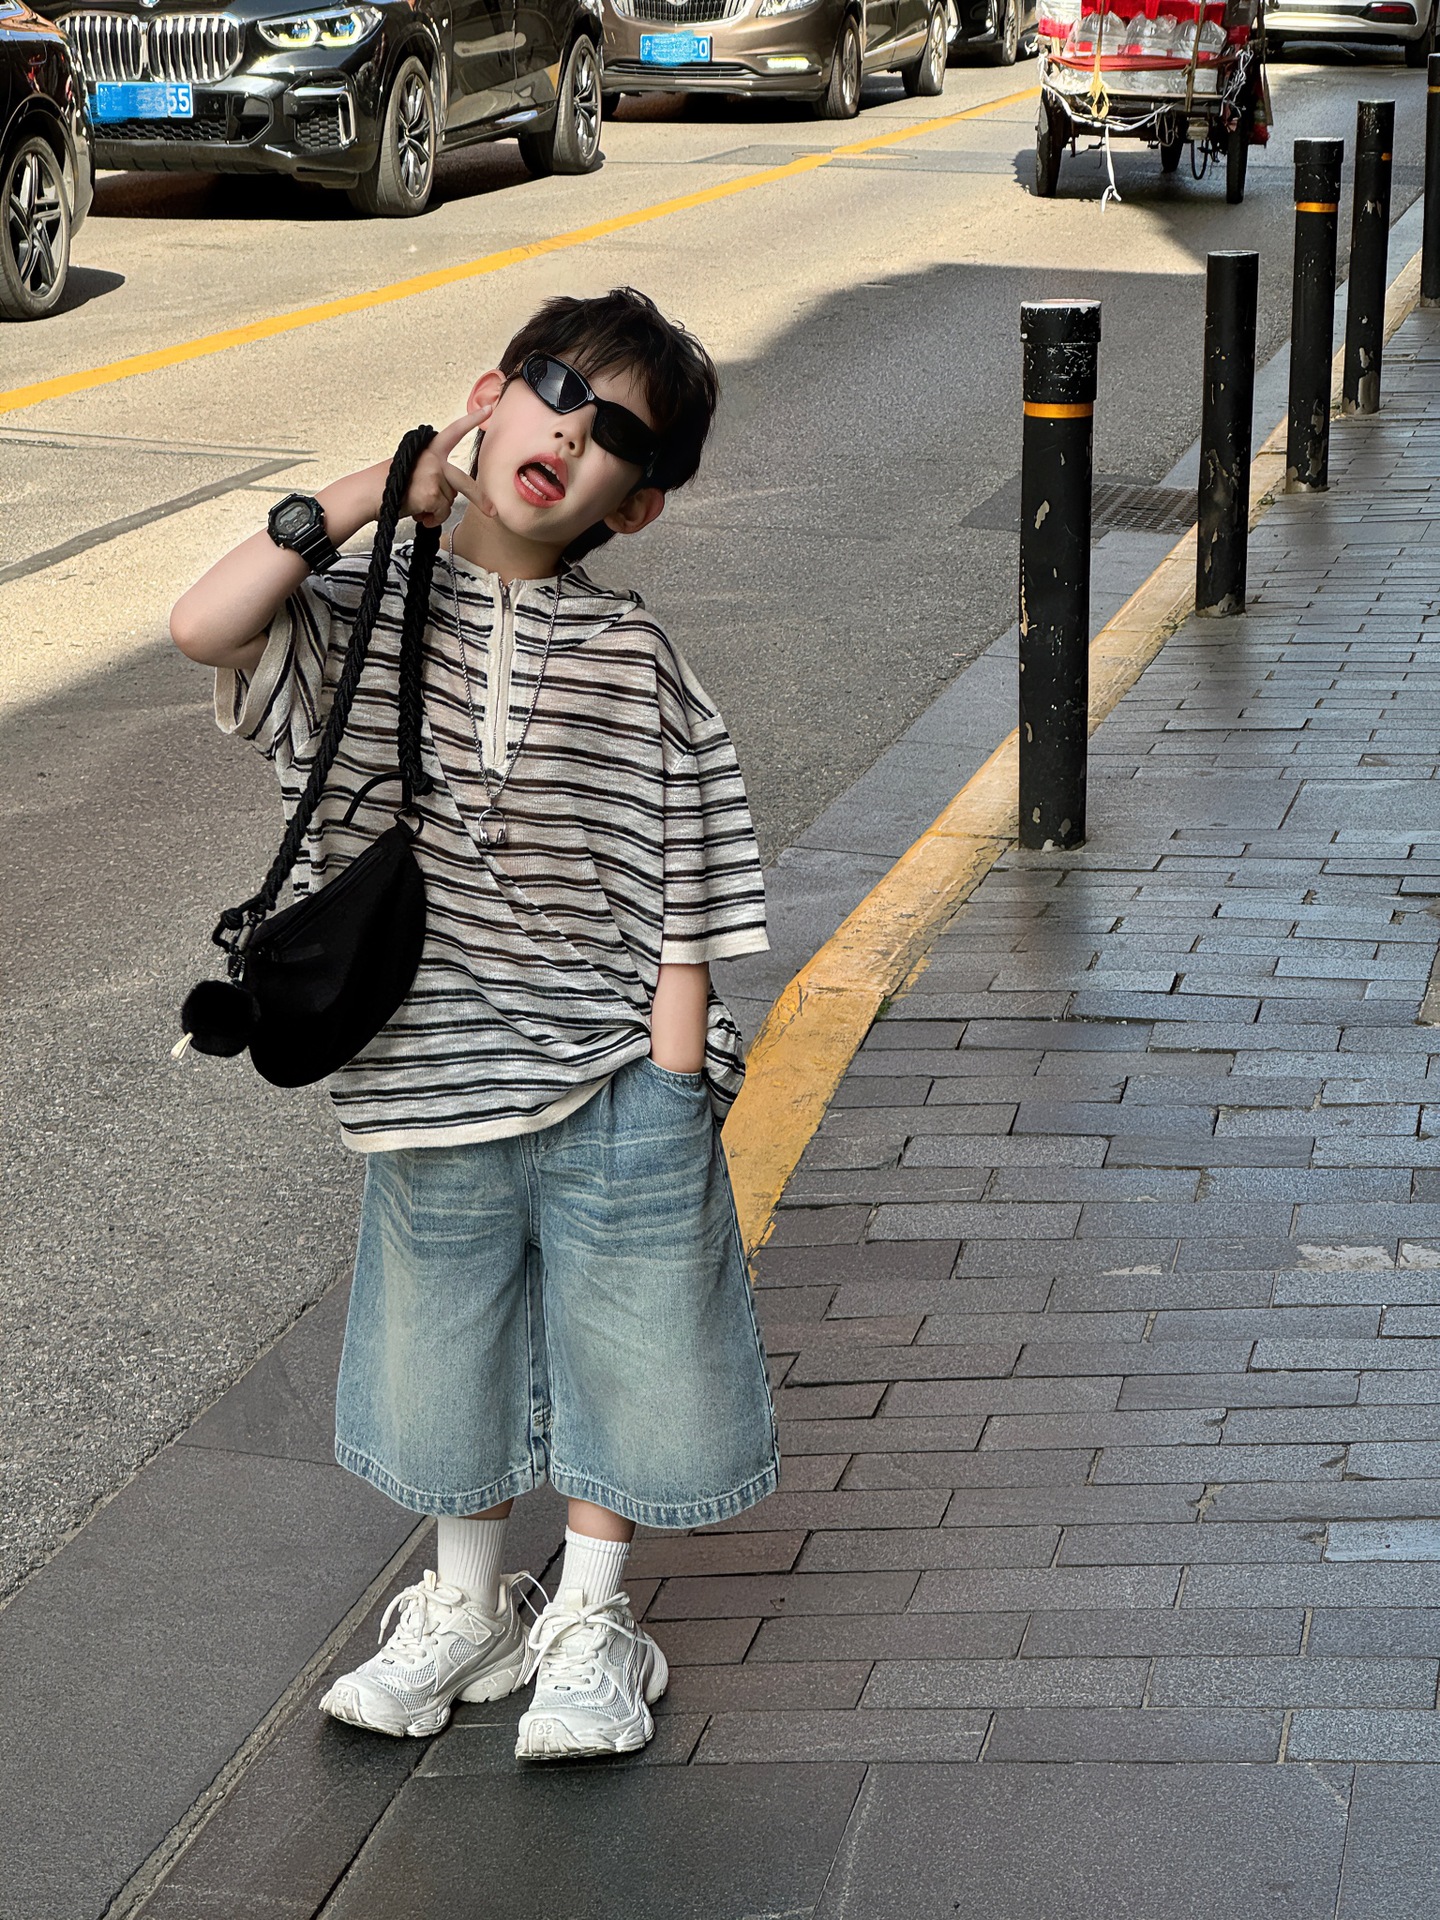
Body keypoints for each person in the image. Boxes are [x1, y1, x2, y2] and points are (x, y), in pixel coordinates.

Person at [170, 287, 777, 1761]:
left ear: (636, 503)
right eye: (557, 387)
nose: (573, 429)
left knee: (629, 1344)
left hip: (612, 1074)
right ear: (492, 396)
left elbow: (686, 894)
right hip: (427, 1076)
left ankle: (592, 1620)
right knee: (444, 1354)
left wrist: (675, 1090)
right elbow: (202, 624)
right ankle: (465, 1610)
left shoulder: (633, 660)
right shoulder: (363, 617)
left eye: (617, 430)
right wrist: (385, 488)